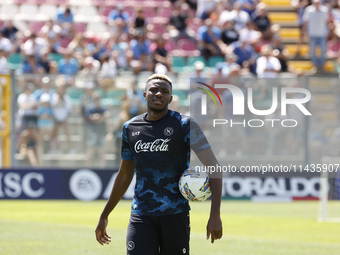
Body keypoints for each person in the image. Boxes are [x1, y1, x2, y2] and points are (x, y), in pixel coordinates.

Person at [95, 74, 223, 254]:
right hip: (141, 214)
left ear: (170, 98)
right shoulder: (130, 128)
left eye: (164, 91)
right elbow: (125, 174)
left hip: (175, 215)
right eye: (153, 89)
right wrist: (105, 215)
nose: (158, 94)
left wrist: (215, 214)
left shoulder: (185, 125)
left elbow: (214, 167)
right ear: (144, 94)